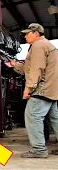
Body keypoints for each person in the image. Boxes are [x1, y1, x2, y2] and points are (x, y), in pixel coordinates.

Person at [10, 23, 58, 158]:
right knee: (55, 118)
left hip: (43, 88)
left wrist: (29, 88)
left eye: (27, 33)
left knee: (32, 116)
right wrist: (15, 65)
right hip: (53, 88)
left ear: (36, 33)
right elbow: (29, 67)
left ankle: (39, 150)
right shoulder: (48, 45)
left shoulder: (38, 46)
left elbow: (37, 69)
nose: (25, 36)